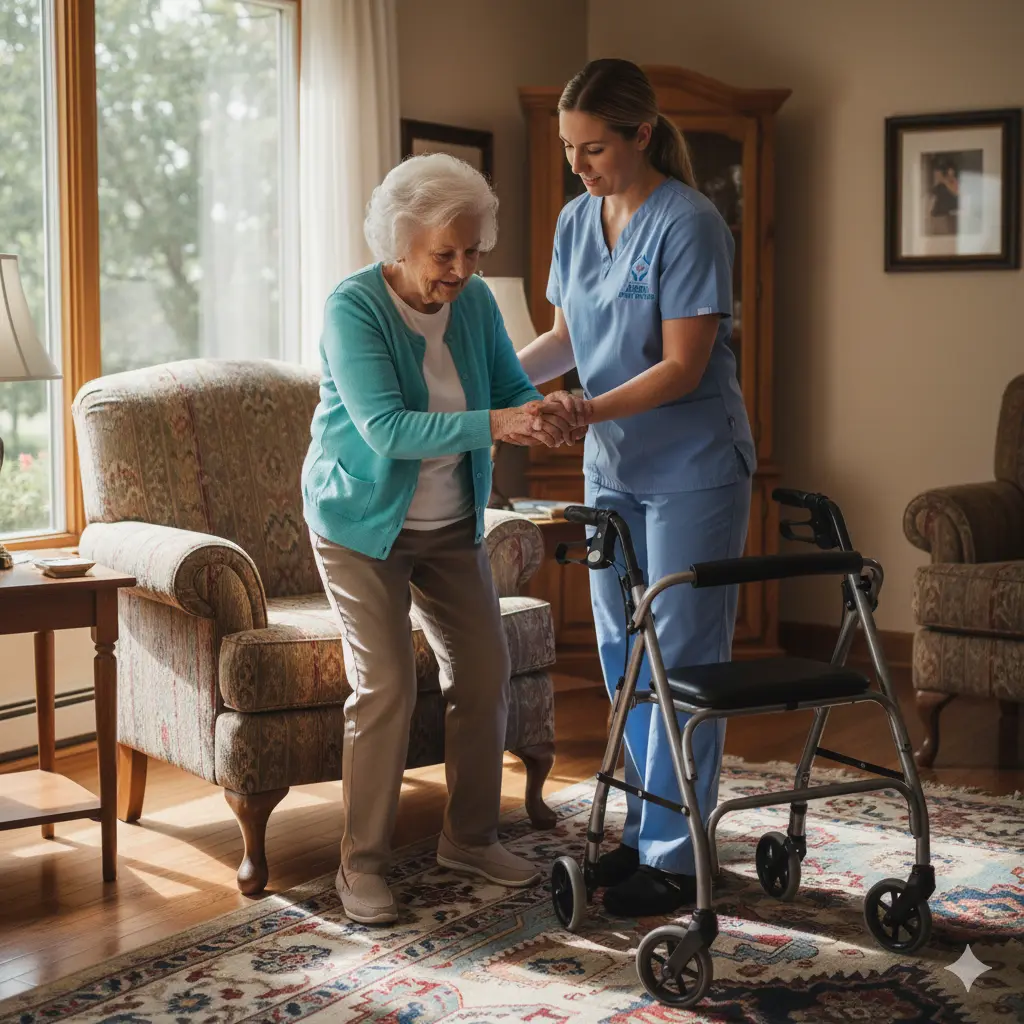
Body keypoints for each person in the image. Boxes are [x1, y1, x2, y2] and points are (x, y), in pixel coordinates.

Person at [302, 152, 574, 926]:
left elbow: (508, 385)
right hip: (360, 523)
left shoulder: (478, 302)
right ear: (399, 245)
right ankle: (360, 867)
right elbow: (385, 429)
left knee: (485, 670)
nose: (459, 270)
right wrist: (497, 421)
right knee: (384, 684)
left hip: (450, 521)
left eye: (472, 251)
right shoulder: (352, 308)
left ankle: (470, 838)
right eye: (442, 255)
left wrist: (541, 411)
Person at [516, 58, 755, 917]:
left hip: (693, 468)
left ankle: (677, 852)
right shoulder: (578, 220)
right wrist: (493, 384)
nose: (579, 165)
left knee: (683, 657)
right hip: (612, 468)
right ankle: (642, 835)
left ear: (640, 134)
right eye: (570, 150)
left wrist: (579, 409)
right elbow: (562, 339)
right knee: (625, 655)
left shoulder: (691, 224)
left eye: (593, 148)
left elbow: (685, 368)